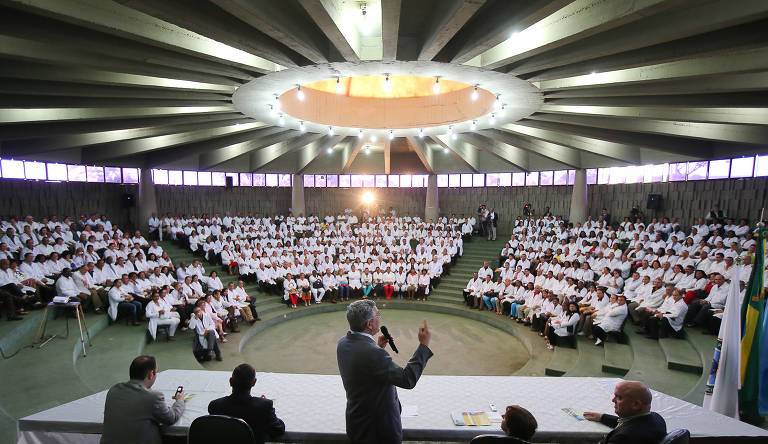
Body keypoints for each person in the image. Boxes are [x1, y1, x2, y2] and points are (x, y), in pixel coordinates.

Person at [336, 300, 433, 444]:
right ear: (369, 324)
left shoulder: (343, 343)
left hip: (357, 421)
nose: (380, 317)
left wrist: (378, 347)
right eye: (378, 314)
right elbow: (407, 379)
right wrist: (423, 345)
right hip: (378, 430)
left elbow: (363, 371)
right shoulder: (372, 353)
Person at [101, 355, 185, 444]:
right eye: (156, 372)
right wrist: (180, 400)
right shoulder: (153, 397)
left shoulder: (114, 389)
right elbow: (171, 418)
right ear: (150, 374)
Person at [208, 363, 285, 444]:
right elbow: (278, 429)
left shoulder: (215, 406)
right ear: (254, 382)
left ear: (230, 381)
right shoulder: (264, 406)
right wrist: (263, 404)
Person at [584, 381, 666, 444]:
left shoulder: (622, 438)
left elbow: (627, 429)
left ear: (636, 405)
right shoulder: (657, 418)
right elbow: (629, 422)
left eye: (619, 397)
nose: (613, 400)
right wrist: (602, 417)